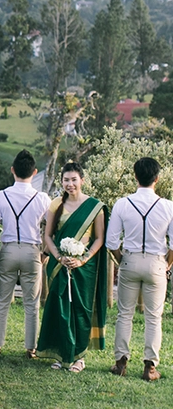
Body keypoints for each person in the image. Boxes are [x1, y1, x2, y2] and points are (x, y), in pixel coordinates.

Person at [105, 157, 173, 381]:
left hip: (130, 260)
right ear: (157, 179)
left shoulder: (123, 204)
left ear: (135, 177)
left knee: (125, 314)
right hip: (156, 262)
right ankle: (150, 368)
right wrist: (167, 264)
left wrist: (121, 260)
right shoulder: (168, 206)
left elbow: (112, 242)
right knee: (154, 317)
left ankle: (120, 363)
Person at [37, 163, 107, 373]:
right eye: (66, 180)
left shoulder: (95, 207)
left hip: (84, 268)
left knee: (80, 311)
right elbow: (48, 236)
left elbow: (99, 239)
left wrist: (82, 259)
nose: (70, 184)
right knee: (59, 309)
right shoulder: (56, 204)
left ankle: (79, 357)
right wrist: (58, 257)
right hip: (59, 266)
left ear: (82, 180)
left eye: (74, 179)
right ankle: (60, 354)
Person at [0, 150, 51, 359]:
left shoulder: (1, 196)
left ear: (12, 170)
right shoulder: (42, 198)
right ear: (34, 172)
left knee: (2, 301)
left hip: (8, 249)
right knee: (31, 304)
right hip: (32, 251)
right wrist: (45, 253)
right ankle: (31, 348)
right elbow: (51, 229)